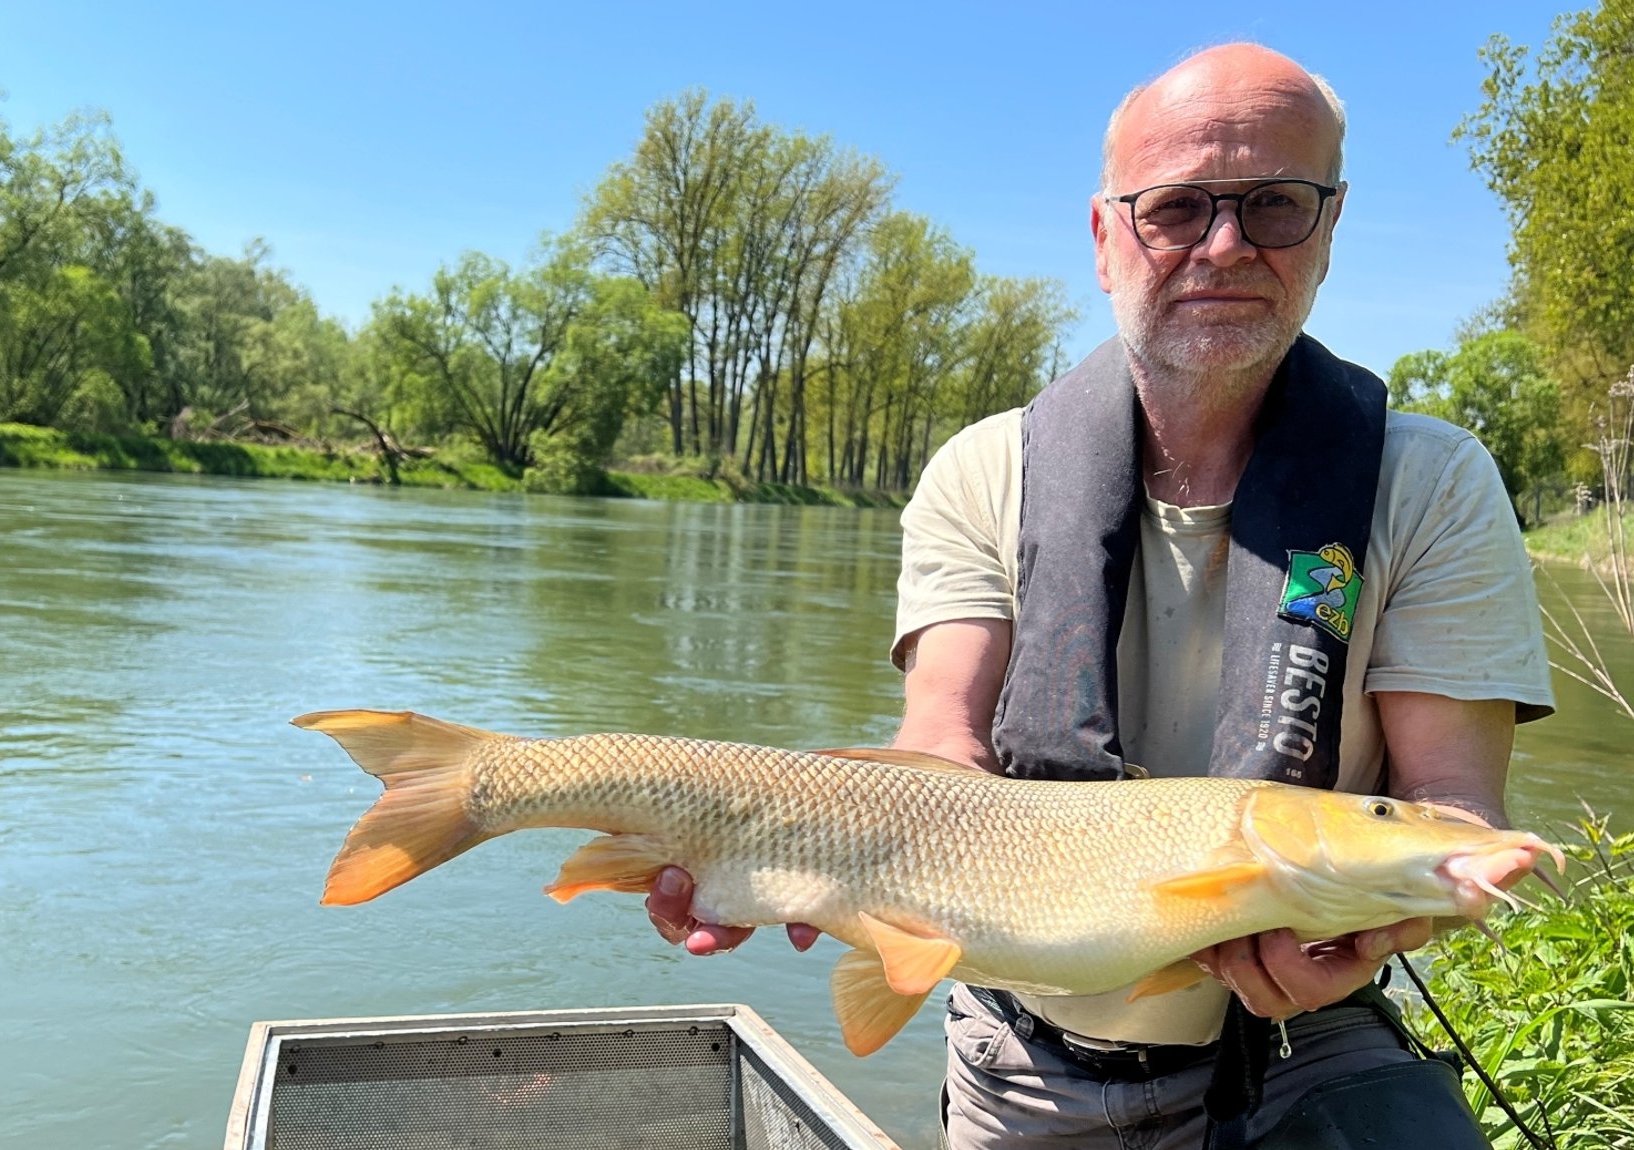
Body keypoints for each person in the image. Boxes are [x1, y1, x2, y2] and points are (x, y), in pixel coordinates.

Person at [647, 42, 1554, 1149]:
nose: (1222, 246)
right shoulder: (982, 470)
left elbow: (1454, 812)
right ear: (1102, 237)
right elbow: (936, 750)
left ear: (1327, 228)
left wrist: (1385, 923)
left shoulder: (1433, 480)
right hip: (1022, 1051)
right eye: (1173, 209)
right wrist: (789, 853)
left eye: (1271, 204)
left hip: (1301, 1043)